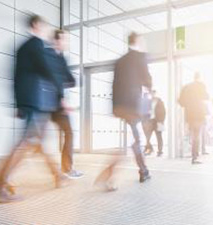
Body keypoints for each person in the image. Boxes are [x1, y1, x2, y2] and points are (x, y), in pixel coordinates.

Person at [0, 15, 65, 203]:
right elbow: (46, 69)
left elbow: (14, 76)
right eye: (44, 27)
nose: (46, 31)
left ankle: (56, 175)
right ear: (36, 25)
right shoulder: (36, 45)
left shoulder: (21, 48)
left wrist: (18, 103)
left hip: (27, 100)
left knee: (34, 141)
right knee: (26, 142)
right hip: (34, 100)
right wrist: (60, 93)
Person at [94, 32, 152, 190]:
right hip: (133, 106)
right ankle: (107, 175)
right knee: (132, 142)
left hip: (120, 106)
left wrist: (115, 108)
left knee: (135, 140)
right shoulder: (140, 57)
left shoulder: (120, 61)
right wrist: (149, 94)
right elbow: (147, 80)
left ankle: (143, 170)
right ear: (138, 41)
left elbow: (114, 85)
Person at [47, 29, 83, 179]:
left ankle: (66, 168)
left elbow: (71, 80)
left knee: (68, 133)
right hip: (50, 103)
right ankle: (65, 169)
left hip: (57, 104)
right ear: (56, 41)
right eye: (64, 39)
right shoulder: (47, 55)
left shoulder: (61, 58)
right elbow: (51, 79)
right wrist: (61, 98)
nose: (66, 43)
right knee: (32, 139)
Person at [179, 72, 209, 164]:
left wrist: (188, 105)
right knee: (196, 136)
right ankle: (195, 157)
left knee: (192, 135)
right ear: (199, 77)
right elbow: (206, 97)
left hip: (189, 114)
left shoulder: (186, 87)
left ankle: (193, 155)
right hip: (198, 114)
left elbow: (180, 101)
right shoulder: (201, 85)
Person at [143, 90, 166, 157]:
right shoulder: (148, 102)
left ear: (155, 94)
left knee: (159, 136)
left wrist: (161, 121)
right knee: (148, 136)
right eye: (151, 93)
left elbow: (163, 112)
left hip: (157, 121)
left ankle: (160, 151)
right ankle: (148, 149)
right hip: (150, 121)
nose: (152, 94)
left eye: (153, 93)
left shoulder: (160, 102)